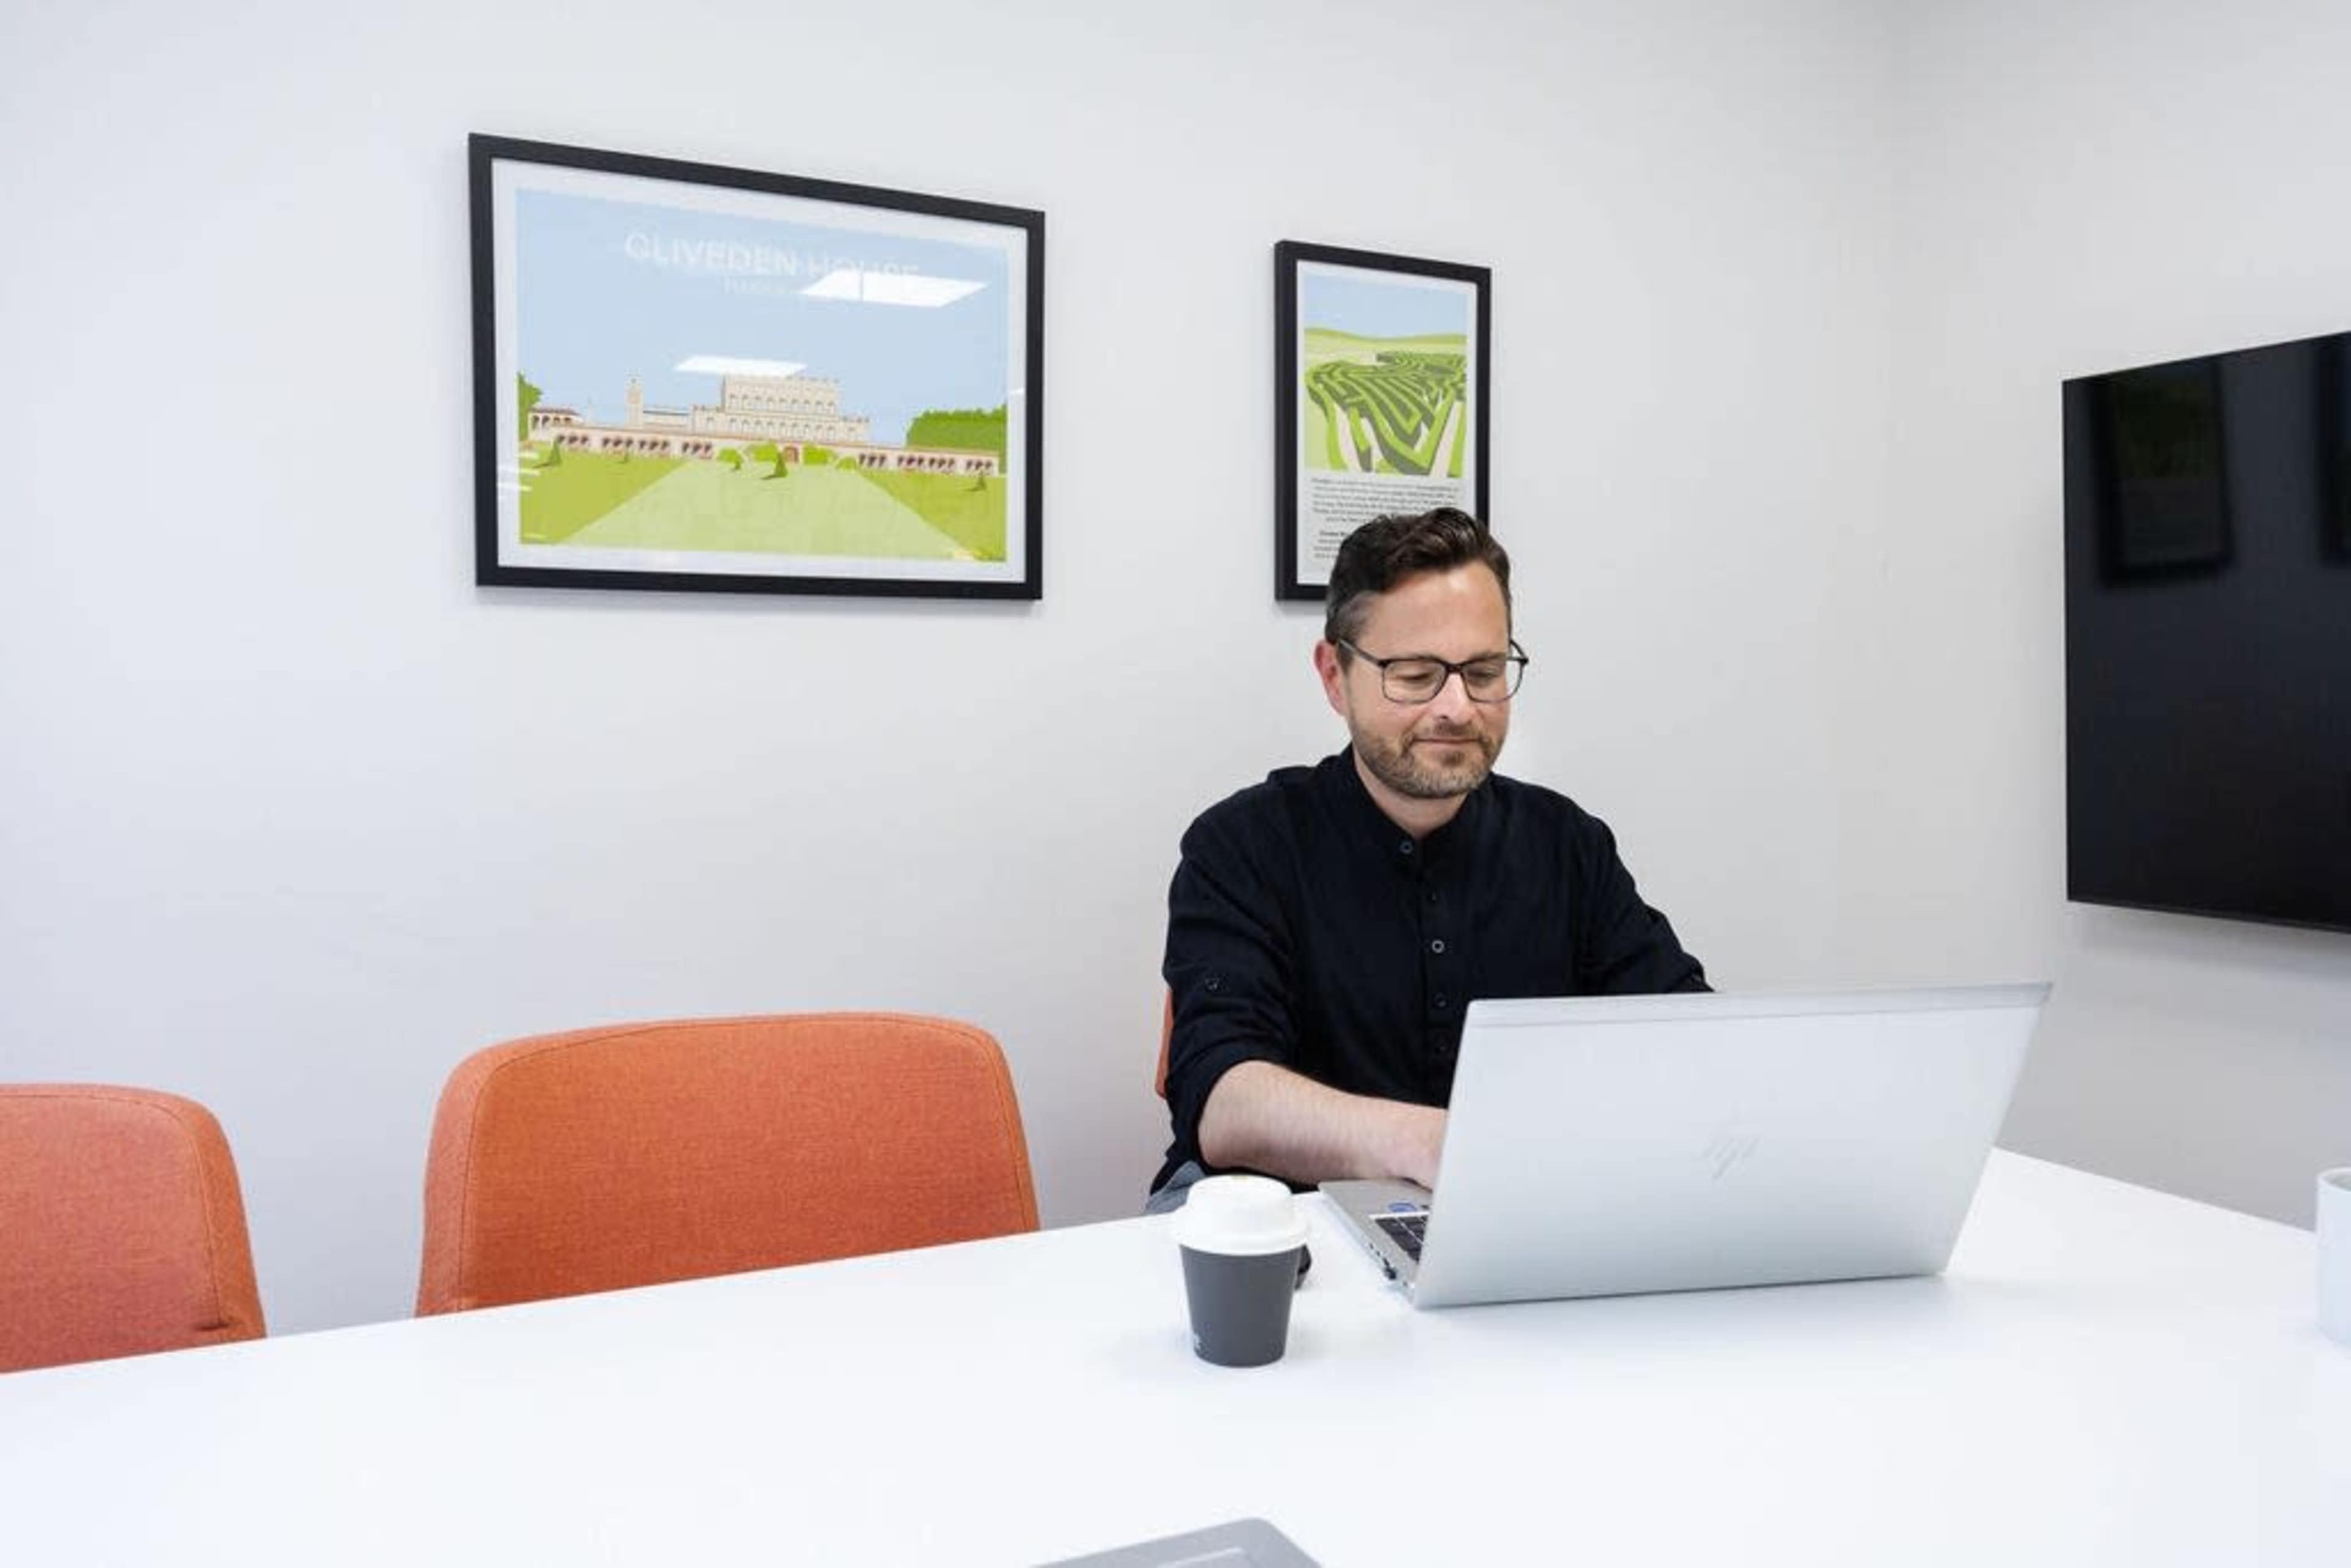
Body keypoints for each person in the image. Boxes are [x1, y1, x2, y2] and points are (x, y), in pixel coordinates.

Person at [1150, 508, 1706, 1209]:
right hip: (1288, 1226)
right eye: (1415, 676)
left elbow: (1687, 1043)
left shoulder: (1567, 843)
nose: (1458, 707)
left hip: (1520, 1211)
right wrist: (1434, 1144)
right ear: (1333, 675)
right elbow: (1225, 1102)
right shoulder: (1244, 845)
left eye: (1482, 671)